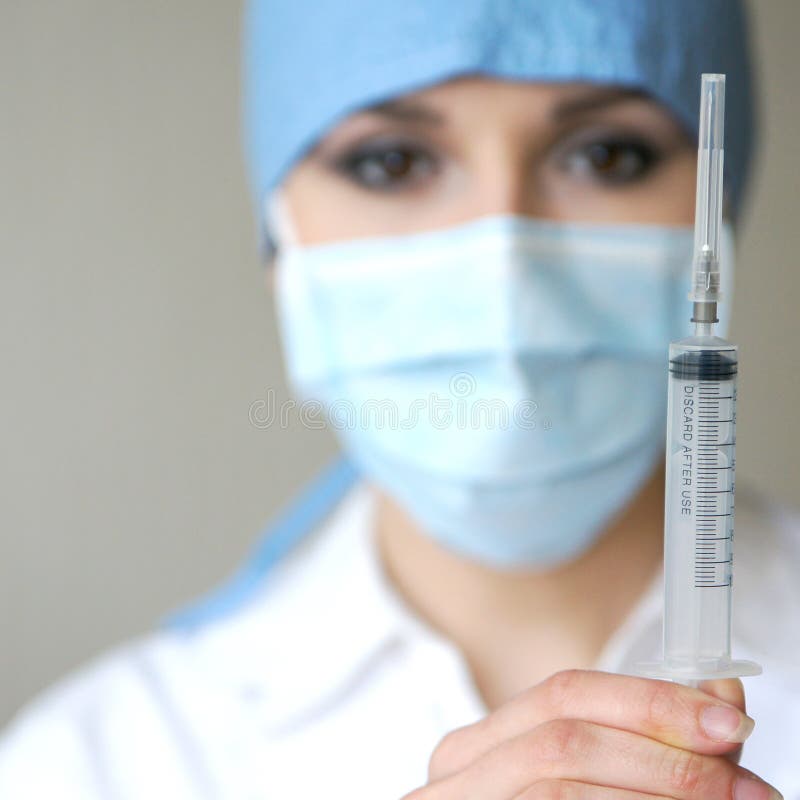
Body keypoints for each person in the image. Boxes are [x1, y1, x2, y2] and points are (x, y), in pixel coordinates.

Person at [1, 1, 798, 798]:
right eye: (391, 162)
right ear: (280, 235)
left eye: (608, 155)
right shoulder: (95, 765)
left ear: (718, 212)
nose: (505, 273)